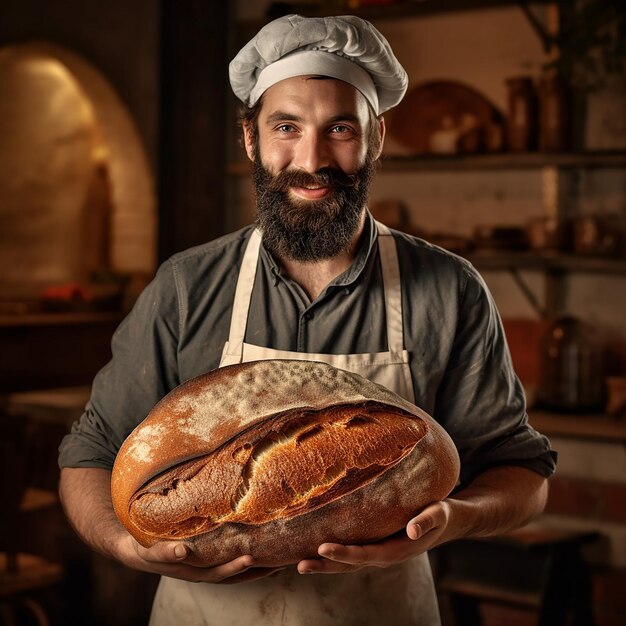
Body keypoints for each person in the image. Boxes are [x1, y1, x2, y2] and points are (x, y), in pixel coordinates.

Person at [58, 14, 556, 626]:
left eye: (340, 128)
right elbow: (89, 454)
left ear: (376, 139)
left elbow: (524, 473)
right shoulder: (186, 288)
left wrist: (457, 518)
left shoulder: (450, 291)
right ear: (250, 139)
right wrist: (128, 547)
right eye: (286, 127)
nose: (312, 158)